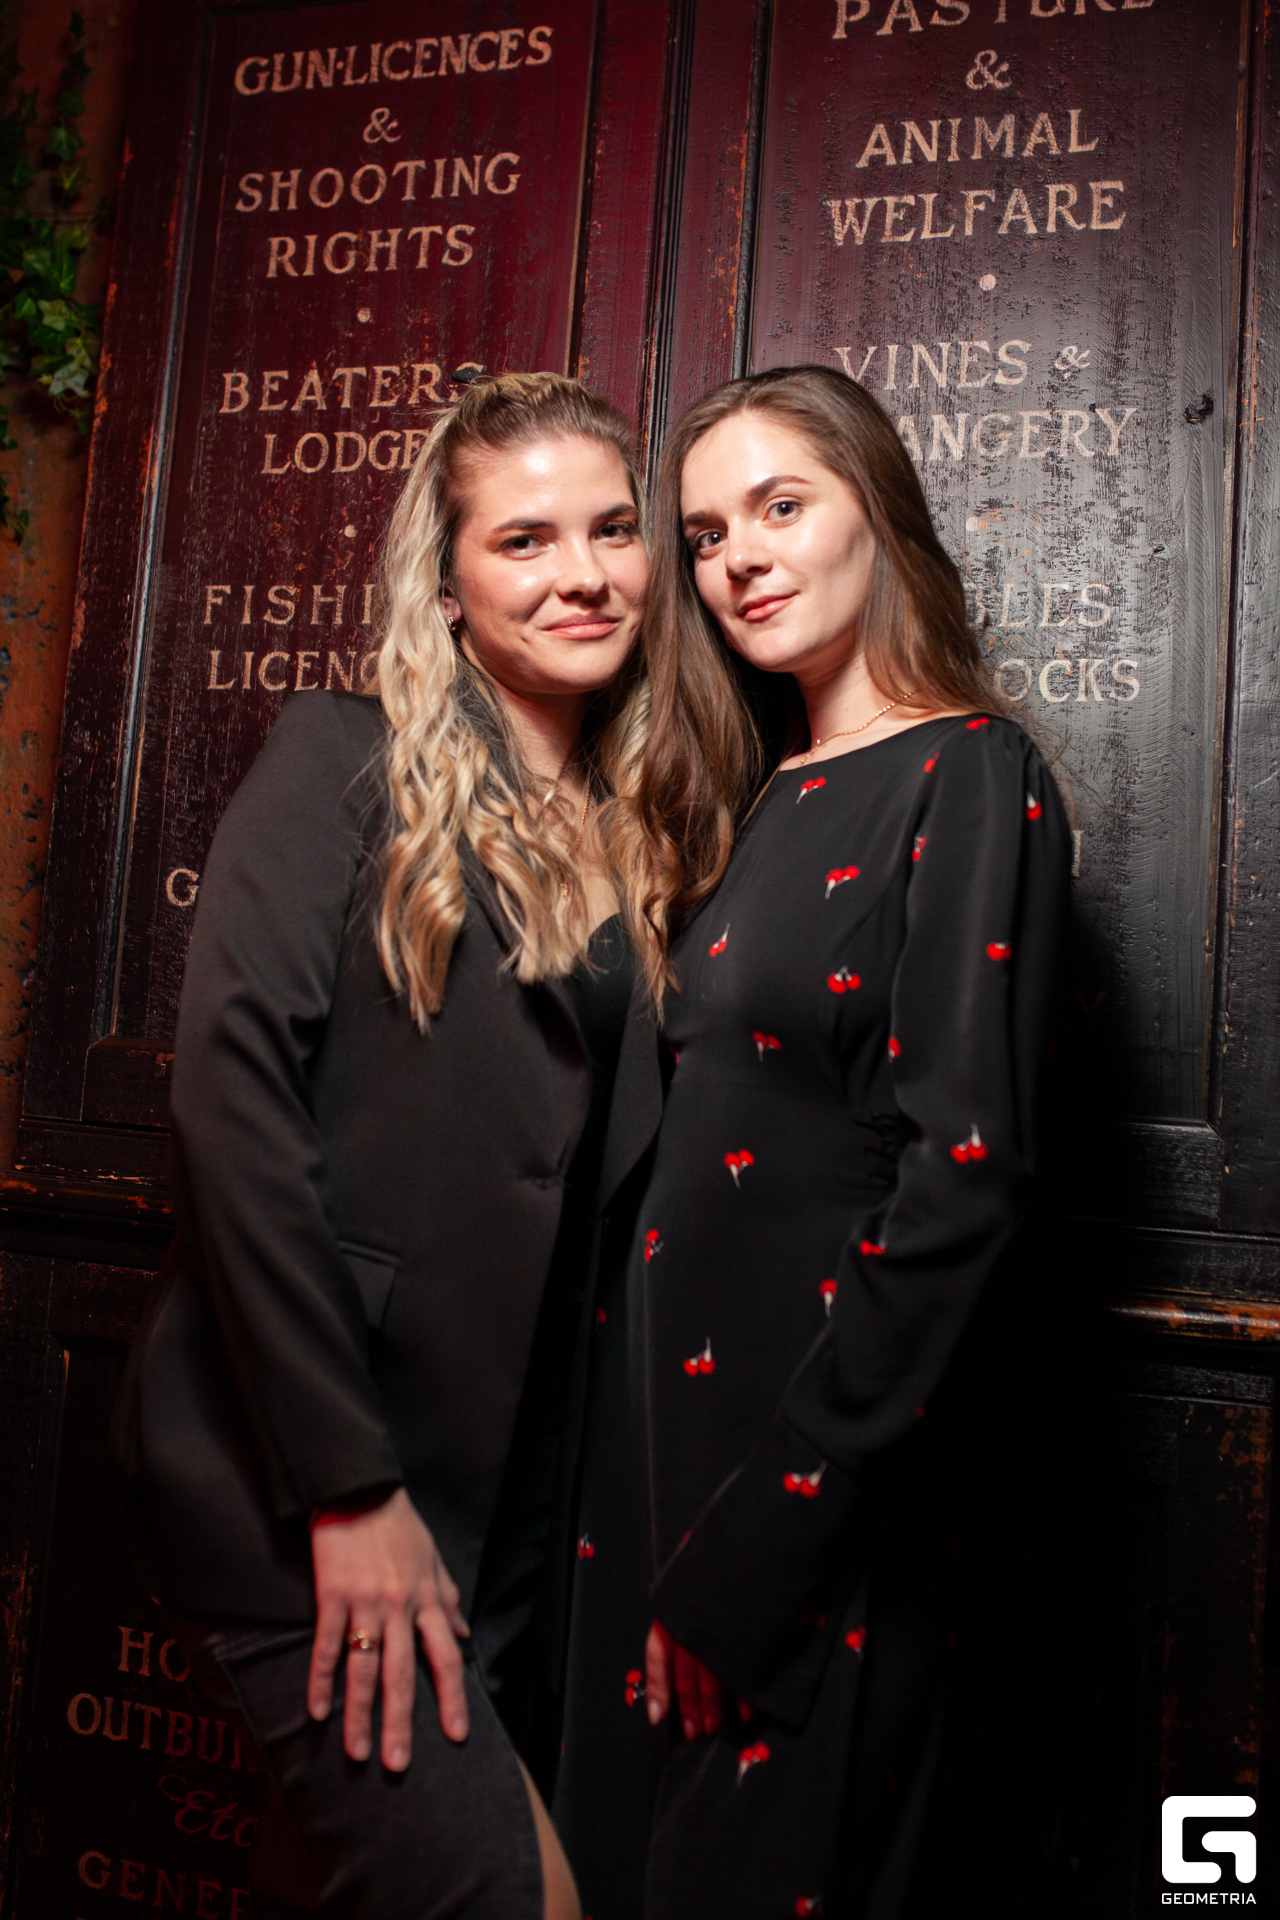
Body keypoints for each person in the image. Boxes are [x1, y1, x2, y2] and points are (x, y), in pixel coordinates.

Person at [111, 372, 669, 1920]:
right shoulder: (340, 758)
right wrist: (346, 1494)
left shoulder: (646, 817)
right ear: (447, 584)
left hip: (514, 1500)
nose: (582, 574)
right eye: (525, 540)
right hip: (313, 1481)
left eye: (614, 528)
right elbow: (229, 1103)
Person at [560, 364, 1071, 1919]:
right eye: (708, 534)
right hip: (657, 1446)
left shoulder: (967, 771)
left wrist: (767, 1545)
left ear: (878, 514)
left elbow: (964, 1182)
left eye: (781, 507)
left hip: (808, 1478)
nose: (740, 560)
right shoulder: (761, 794)